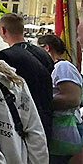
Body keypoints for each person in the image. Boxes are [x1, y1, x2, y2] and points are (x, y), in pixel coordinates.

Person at [0, 13, 54, 143]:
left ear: (3, 30)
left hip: (24, 123)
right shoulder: (43, 54)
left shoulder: (5, 56)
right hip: (46, 120)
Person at [38, 34, 83, 163]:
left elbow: (73, 99)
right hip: (61, 129)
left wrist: (42, 101)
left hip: (65, 130)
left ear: (46, 48)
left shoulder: (62, 67)